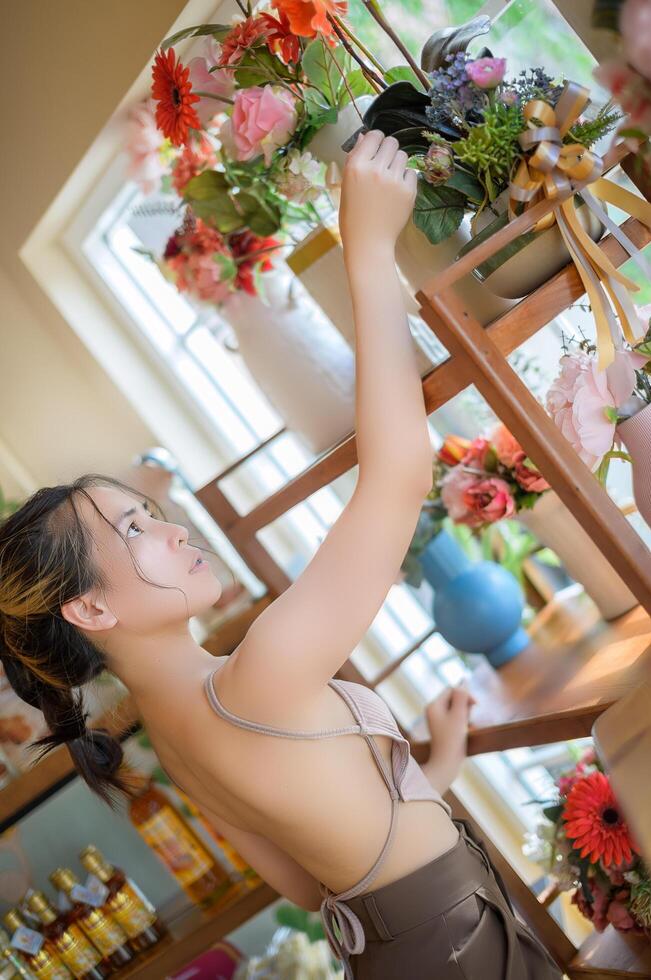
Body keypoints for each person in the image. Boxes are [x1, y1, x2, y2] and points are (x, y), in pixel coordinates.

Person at [0, 131, 561, 979]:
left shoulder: (173, 740)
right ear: (89, 610)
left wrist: (434, 761)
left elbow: (315, 879)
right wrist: (365, 247)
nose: (175, 528)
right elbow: (402, 471)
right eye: (135, 529)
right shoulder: (252, 677)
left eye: (153, 511)